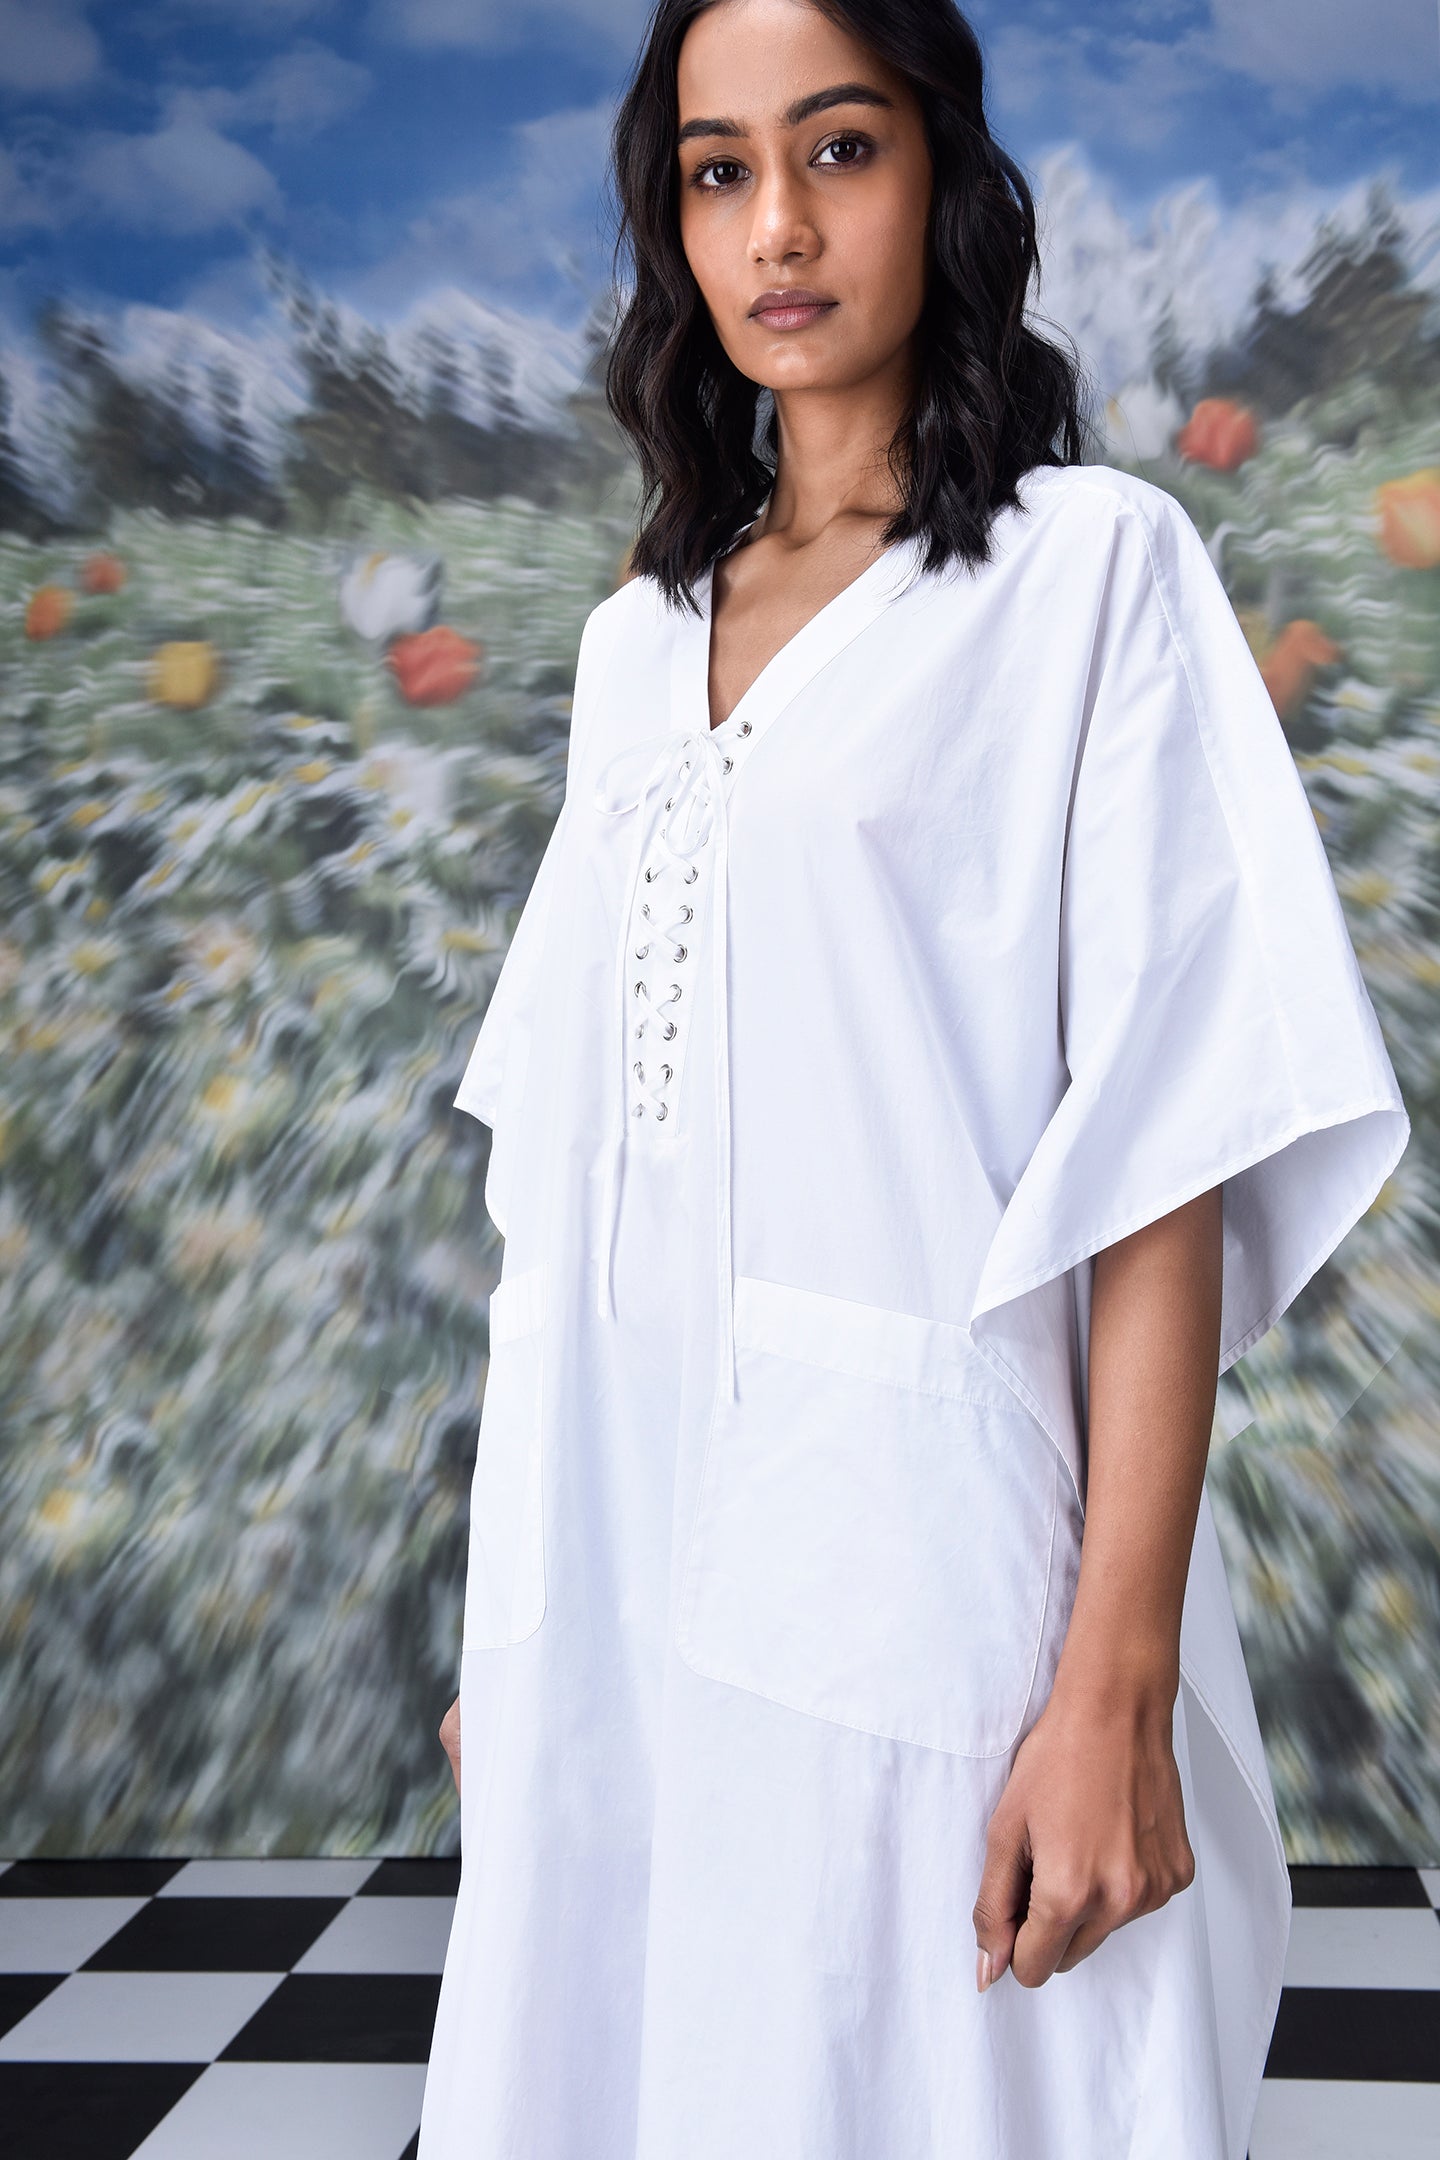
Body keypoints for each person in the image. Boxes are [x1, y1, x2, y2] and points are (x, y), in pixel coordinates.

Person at [417, 3, 1410, 2156]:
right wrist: (529, 1622)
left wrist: (1114, 1677)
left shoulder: (1090, 574)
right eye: (717, 170)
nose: (777, 226)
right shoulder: (632, 643)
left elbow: (1161, 1150)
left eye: (840, 149)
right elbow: (572, 1188)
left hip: (933, 1565)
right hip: (616, 1577)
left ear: (945, 175)